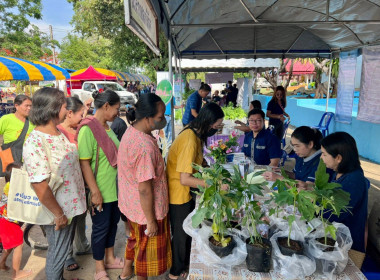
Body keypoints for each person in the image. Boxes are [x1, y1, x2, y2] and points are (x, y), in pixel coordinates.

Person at [23, 87, 86, 280]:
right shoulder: (36, 141)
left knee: (62, 250)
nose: (67, 111)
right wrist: (59, 214)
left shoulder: (57, 134)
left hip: (70, 208)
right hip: (57, 213)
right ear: (53, 108)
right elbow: (40, 185)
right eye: (65, 107)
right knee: (57, 256)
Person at [166, 103, 224, 280]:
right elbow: (185, 179)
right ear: (208, 122)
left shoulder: (195, 133)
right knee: (181, 234)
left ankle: (183, 264)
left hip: (185, 191)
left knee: (187, 231)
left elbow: (196, 164)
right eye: (217, 126)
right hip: (179, 193)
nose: (217, 130)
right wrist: (214, 186)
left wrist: (210, 171)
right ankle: (175, 272)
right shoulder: (190, 139)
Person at [118, 93, 171, 280]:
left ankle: (125, 273)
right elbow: (144, 188)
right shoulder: (144, 147)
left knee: (135, 241)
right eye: (160, 117)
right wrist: (151, 221)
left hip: (131, 206)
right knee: (145, 257)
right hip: (145, 212)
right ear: (147, 118)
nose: (163, 120)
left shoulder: (132, 131)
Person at [77, 89, 122, 280]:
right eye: (116, 108)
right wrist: (94, 191)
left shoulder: (107, 128)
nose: (118, 113)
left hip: (115, 190)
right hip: (101, 190)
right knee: (100, 229)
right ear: (106, 106)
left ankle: (110, 258)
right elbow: (84, 162)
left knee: (113, 225)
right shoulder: (88, 129)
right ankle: (99, 268)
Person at [57, 97, 92, 271]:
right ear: (69, 113)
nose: (82, 118)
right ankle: (67, 254)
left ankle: (82, 246)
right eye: (80, 114)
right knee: (68, 222)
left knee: (80, 218)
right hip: (65, 187)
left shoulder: (80, 129)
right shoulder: (58, 133)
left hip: (80, 183)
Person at [320, 132, 368, 255]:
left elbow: (332, 215)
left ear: (339, 158)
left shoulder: (354, 180)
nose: (321, 158)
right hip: (332, 237)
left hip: (345, 246)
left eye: (324, 154)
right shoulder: (340, 172)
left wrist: (310, 201)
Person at [263, 126, 327, 188]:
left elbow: (305, 190)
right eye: (293, 146)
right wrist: (283, 172)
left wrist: (279, 178)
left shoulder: (321, 163)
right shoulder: (301, 155)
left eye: (297, 146)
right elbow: (296, 176)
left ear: (310, 144)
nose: (294, 149)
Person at [0, 163, 33, 279]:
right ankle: (16, 273)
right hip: (10, 223)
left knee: (9, 244)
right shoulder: (15, 189)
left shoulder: (7, 186)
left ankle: (2, 263)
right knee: (18, 245)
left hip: (3, 221)